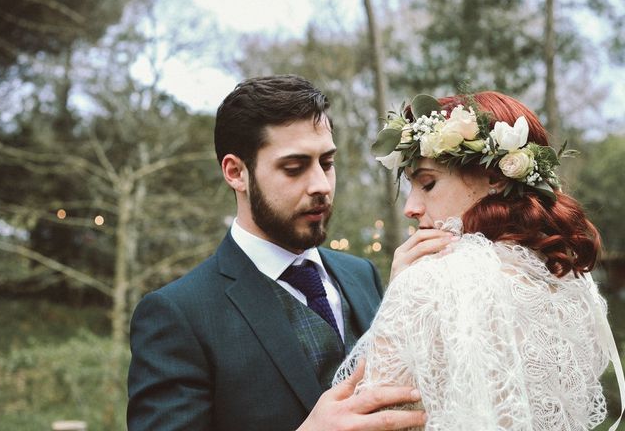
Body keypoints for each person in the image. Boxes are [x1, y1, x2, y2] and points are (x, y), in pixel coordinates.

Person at [127, 75, 426, 431]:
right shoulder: (177, 315)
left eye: (327, 163)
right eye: (294, 168)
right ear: (236, 172)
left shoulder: (362, 275)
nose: (320, 185)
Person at [336, 91, 625, 430]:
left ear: (496, 178)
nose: (410, 208)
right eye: (410, 187)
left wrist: (401, 290)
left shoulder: (426, 282)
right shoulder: (569, 280)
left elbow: (368, 415)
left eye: (427, 184)